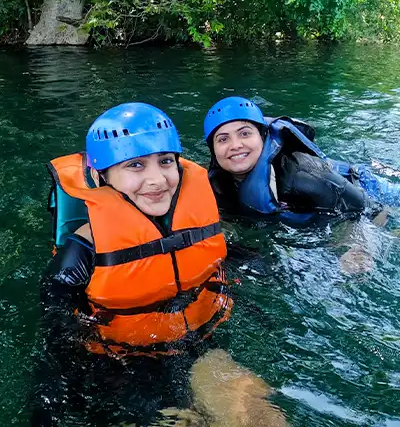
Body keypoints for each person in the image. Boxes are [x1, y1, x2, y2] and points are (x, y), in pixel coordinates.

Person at [31, 102, 288, 427]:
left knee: (255, 415)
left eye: (166, 161)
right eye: (135, 165)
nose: (157, 180)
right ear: (100, 175)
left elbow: (220, 254)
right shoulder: (83, 249)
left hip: (198, 343)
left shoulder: (196, 219)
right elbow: (56, 333)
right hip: (121, 363)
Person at [203, 96, 400, 223]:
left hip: (362, 186)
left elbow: (374, 210)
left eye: (245, 134)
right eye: (223, 139)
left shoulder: (303, 176)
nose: (235, 145)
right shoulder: (213, 183)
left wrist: (361, 248)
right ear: (213, 150)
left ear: (263, 138)